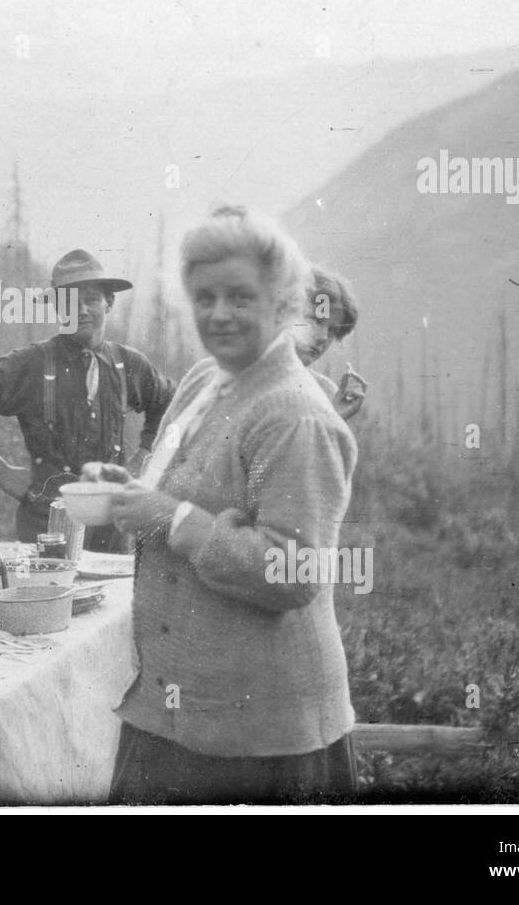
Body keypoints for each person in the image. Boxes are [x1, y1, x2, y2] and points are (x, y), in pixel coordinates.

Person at [100, 205, 359, 804]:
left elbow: (294, 573)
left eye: (241, 297)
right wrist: (133, 491)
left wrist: (171, 519)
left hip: (261, 737)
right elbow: (177, 487)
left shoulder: (295, 415)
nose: (219, 314)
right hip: (172, 707)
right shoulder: (201, 381)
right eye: (205, 296)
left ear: (285, 303)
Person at [0, 249, 175, 553]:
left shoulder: (128, 364)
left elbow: (173, 404)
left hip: (112, 526)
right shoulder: (31, 364)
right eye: (70, 302)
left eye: (91, 299)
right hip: (46, 524)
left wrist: (144, 456)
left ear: (109, 303)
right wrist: (1, 472)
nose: (82, 310)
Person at [293, 266, 367, 422]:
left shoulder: (327, 393)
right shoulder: (236, 377)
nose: (322, 337)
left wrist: (334, 420)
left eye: (332, 330)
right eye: (315, 321)